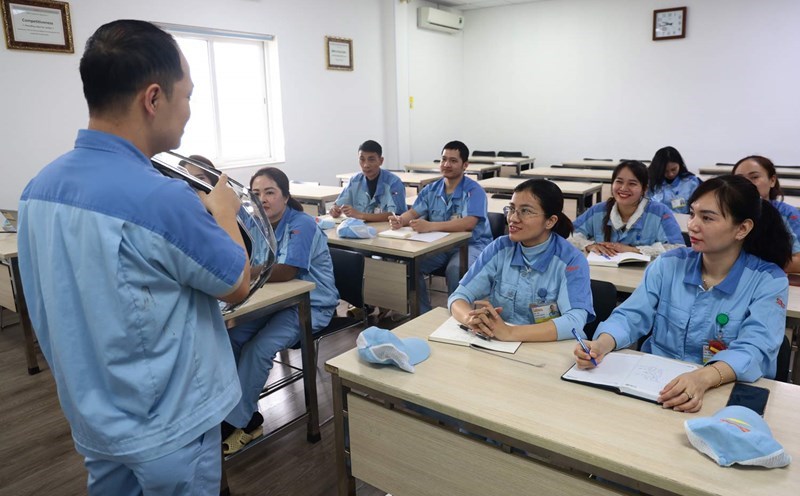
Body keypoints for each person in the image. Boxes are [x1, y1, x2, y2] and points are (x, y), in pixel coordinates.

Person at [17, 20, 250, 495]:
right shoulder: (162, 197)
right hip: (170, 427)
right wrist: (226, 212)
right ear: (153, 99)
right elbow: (236, 282)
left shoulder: (37, 191)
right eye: (186, 96)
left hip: (95, 421)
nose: (188, 111)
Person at [575, 175, 791, 413]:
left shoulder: (768, 280)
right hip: (654, 385)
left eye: (707, 218)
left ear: (742, 228)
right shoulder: (669, 264)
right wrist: (601, 344)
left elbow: (755, 349)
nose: (692, 226)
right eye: (692, 214)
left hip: (722, 392)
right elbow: (630, 316)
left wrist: (703, 378)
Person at [222, 167, 338, 454]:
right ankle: (243, 412)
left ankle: (237, 422)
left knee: (259, 349)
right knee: (231, 339)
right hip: (275, 302)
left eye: (270, 192)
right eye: (256, 194)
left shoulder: (302, 223)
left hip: (310, 305)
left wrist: (243, 272)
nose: (263, 199)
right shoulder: (256, 224)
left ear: (286, 197)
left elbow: (286, 271)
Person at [449, 179, 594, 341]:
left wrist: (510, 333)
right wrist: (470, 319)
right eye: (511, 209)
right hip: (500, 345)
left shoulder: (571, 260)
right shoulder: (500, 248)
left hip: (546, 349)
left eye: (525, 211)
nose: (513, 218)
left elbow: (575, 321)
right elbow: (459, 296)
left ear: (550, 221)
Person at [389, 140, 492, 314]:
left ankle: (457, 317)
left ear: (465, 165)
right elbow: (414, 212)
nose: (446, 164)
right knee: (409, 265)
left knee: (455, 269)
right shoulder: (431, 189)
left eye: (453, 161)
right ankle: (423, 314)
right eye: (444, 159)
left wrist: (430, 226)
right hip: (440, 245)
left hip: (472, 245)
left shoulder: (474, 191)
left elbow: (469, 223)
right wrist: (401, 220)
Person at [569, 160, 684, 258]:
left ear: (644, 189)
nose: (623, 188)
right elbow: (568, 235)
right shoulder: (598, 210)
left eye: (632, 184)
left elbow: (678, 249)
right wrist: (589, 245)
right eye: (619, 181)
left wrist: (633, 250)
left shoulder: (660, 212)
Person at [732, 155, 800, 273]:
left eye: (754, 177)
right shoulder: (728, 212)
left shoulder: (787, 214)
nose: (747, 183)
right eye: (740, 179)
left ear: (772, 180)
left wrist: (751, 266)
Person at [329, 140, 407, 221]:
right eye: (362, 159)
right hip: (360, 229)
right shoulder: (354, 181)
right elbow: (338, 204)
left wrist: (360, 215)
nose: (366, 165)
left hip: (386, 230)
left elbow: (397, 215)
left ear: (381, 161)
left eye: (371, 159)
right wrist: (335, 210)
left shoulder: (394, 183)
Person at [646, 146, 701, 214]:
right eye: (665, 171)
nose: (670, 174)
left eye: (674, 169)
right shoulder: (651, 182)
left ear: (680, 165)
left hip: (682, 220)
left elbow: (698, 207)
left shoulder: (691, 182)